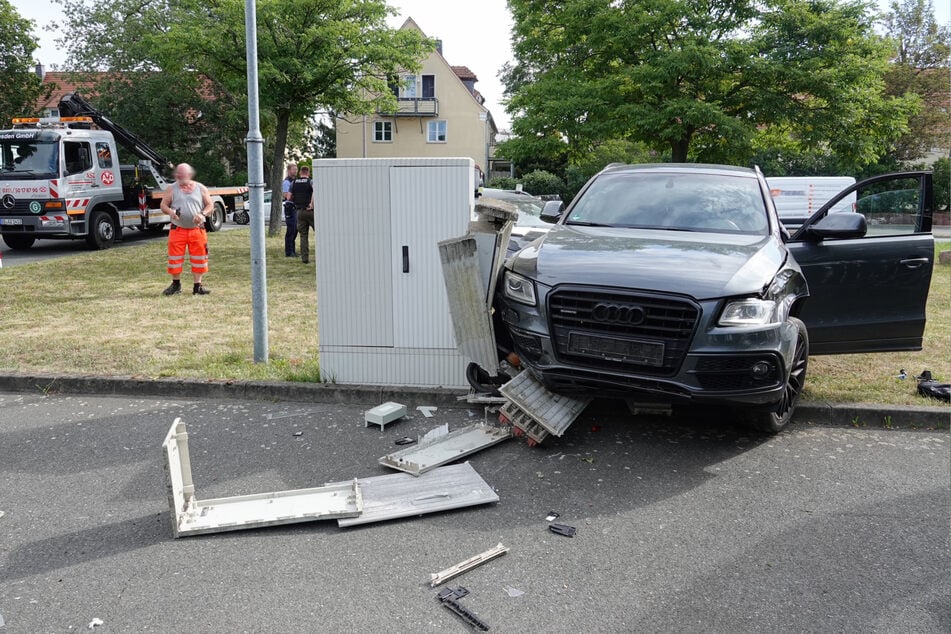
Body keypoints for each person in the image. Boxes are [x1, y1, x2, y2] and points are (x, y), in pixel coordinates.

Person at [160, 163, 214, 296]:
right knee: (175, 259)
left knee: (199, 258)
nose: (178, 177)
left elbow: (210, 205)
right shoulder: (171, 188)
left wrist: (202, 214)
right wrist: (171, 212)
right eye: (177, 175)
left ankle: (198, 286)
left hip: (197, 230)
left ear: (189, 175)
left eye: (181, 175)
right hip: (177, 229)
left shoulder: (200, 188)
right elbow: (163, 205)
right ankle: (176, 285)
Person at [290, 165, 315, 264]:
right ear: (308, 173)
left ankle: (305, 258)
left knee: (303, 236)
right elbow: (315, 191)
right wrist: (312, 204)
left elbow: (288, 197)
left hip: (299, 211)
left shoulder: (294, 182)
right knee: (320, 234)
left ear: (300, 173)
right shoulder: (311, 182)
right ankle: (323, 255)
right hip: (311, 211)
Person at [282, 163, 299, 257]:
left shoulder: (295, 181)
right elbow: (285, 195)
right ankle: (288, 252)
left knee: (295, 230)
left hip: (295, 207)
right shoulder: (286, 182)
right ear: (289, 170)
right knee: (291, 230)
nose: (295, 171)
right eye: (293, 169)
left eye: (296, 169)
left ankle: (293, 250)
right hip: (290, 208)